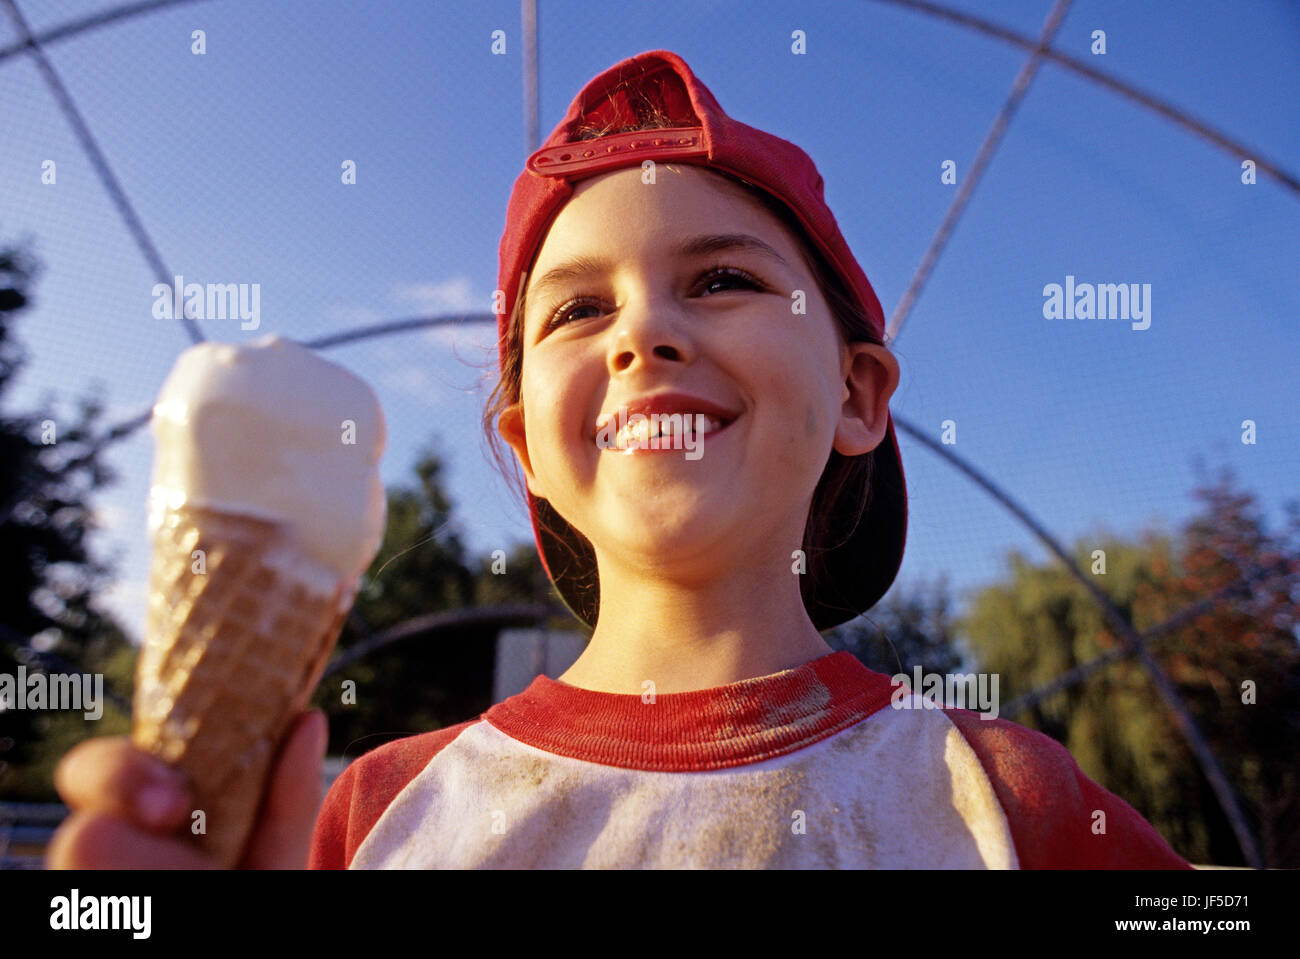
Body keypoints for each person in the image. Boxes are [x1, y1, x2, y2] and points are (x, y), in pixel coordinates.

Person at [48, 50, 1191, 869]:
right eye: (577, 310)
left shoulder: (1016, 805)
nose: (644, 334)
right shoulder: (370, 814)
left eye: (722, 279)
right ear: (526, 447)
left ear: (856, 392)